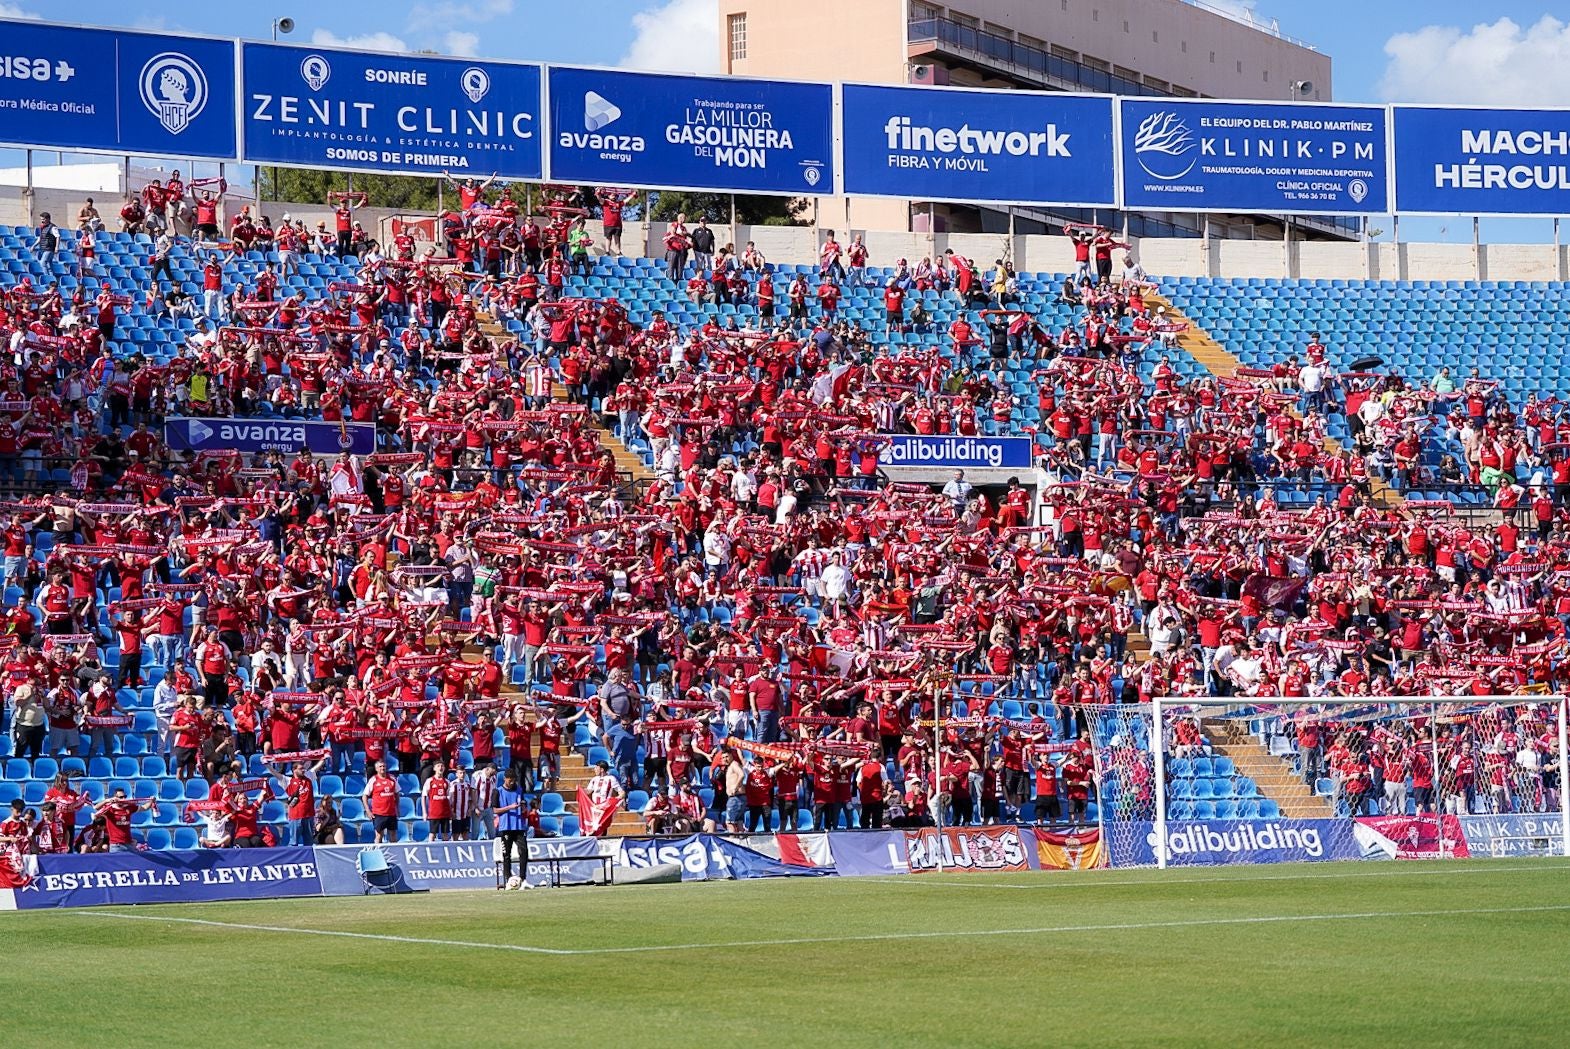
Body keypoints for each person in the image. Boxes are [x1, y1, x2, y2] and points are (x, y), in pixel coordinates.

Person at [494, 768, 529, 888]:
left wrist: (524, 807)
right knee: (506, 854)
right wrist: (510, 807)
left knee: (524, 852)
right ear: (505, 779)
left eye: (514, 780)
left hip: (519, 826)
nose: (512, 782)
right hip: (506, 826)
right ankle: (508, 880)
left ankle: (523, 879)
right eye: (510, 780)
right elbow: (495, 810)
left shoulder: (519, 790)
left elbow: (523, 803)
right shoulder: (498, 791)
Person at [363, 759, 400, 843]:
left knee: (393, 835)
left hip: (391, 812)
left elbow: (397, 793)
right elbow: (364, 796)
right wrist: (368, 810)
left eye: (384, 766)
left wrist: (397, 808)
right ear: (376, 769)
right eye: (380, 767)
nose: (382, 768)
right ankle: (377, 853)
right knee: (379, 835)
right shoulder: (373, 780)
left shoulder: (392, 779)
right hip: (379, 813)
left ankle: (394, 854)